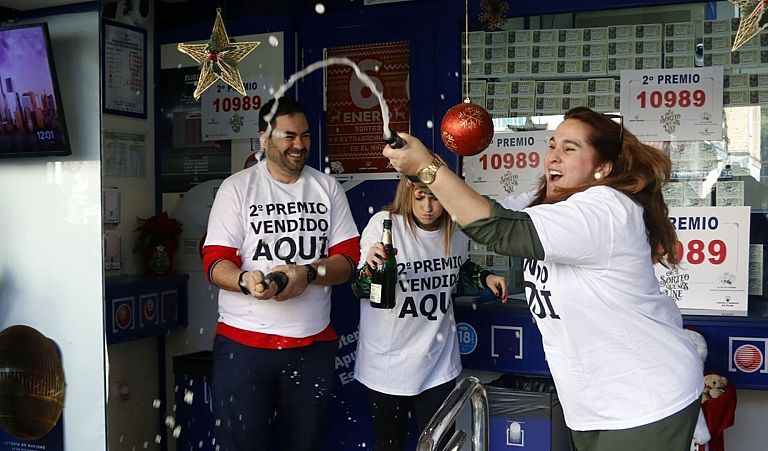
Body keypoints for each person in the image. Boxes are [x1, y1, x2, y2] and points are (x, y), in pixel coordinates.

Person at [382, 106, 705, 451]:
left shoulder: (604, 208)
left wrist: (427, 168)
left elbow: (497, 229)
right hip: (595, 404)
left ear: (603, 168)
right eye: (552, 145)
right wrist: (419, 166)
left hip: (645, 398)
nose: (554, 156)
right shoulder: (550, 204)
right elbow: (473, 211)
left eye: (570, 148)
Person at [201, 97, 360, 451]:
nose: (299, 145)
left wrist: (308, 273)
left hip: (312, 346)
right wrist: (246, 281)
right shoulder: (238, 188)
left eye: (305, 136)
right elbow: (214, 262)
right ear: (264, 138)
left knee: (304, 445)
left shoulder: (327, 188)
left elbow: (349, 259)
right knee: (240, 445)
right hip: (244, 346)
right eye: (288, 136)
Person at [351, 178, 507, 451]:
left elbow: (457, 264)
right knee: (389, 444)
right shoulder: (386, 225)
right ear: (407, 193)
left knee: (441, 443)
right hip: (388, 360)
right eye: (420, 197)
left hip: (437, 358)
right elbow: (360, 289)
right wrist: (370, 270)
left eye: (435, 198)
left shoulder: (454, 229)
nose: (427, 207)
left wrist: (485, 276)